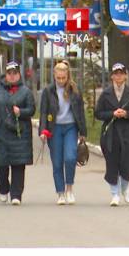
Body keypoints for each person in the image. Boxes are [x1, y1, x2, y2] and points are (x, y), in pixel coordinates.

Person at [0, 61, 35, 205]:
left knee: (18, 165)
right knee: (1, 164)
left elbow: (31, 109)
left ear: (19, 75)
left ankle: (16, 194)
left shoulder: (26, 91)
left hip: (20, 133)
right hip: (1, 132)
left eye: (15, 74)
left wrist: (21, 112)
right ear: (5, 75)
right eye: (9, 74)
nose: (12, 77)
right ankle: (3, 188)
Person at [39, 60, 87, 205]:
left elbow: (80, 112)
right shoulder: (48, 91)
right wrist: (42, 130)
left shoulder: (75, 90)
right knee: (57, 162)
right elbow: (43, 112)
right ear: (54, 76)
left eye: (63, 78)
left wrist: (83, 132)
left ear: (68, 76)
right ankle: (60, 193)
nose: (61, 81)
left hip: (71, 127)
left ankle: (69, 189)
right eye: (58, 78)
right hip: (55, 128)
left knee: (70, 158)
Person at [94, 63, 129, 206]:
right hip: (110, 134)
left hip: (127, 133)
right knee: (112, 163)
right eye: (116, 73)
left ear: (125, 75)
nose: (118, 76)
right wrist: (112, 114)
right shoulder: (106, 94)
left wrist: (126, 114)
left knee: (127, 163)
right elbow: (98, 113)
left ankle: (125, 189)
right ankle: (114, 194)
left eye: (121, 73)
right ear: (112, 76)